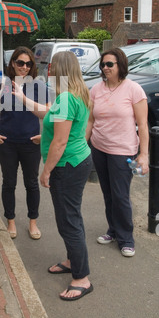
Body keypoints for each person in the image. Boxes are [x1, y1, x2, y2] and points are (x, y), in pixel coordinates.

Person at [39, 51, 93, 302]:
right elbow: (68, 131)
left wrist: (46, 169)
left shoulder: (64, 99)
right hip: (78, 159)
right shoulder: (78, 94)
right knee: (71, 216)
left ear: (58, 71)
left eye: (51, 68)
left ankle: (82, 278)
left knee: (68, 220)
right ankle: (73, 260)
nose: (48, 72)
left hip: (66, 165)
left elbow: (60, 142)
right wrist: (46, 138)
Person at [86, 48, 149, 257]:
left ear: (120, 65)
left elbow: (143, 124)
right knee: (108, 193)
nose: (105, 68)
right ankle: (112, 230)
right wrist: (83, 144)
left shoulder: (134, 89)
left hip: (122, 150)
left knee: (120, 195)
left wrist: (144, 154)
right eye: (103, 65)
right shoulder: (96, 89)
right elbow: (90, 120)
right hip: (99, 148)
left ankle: (126, 238)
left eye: (109, 64)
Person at [0, 46, 49, 240]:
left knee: (31, 183)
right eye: (20, 62)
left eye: (28, 64)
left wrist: (43, 135)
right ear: (12, 63)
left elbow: (49, 112)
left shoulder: (38, 86)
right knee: (9, 182)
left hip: (31, 142)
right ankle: (11, 220)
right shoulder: (2, 84)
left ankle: (33, 222)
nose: (24, 67)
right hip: (7, 142)